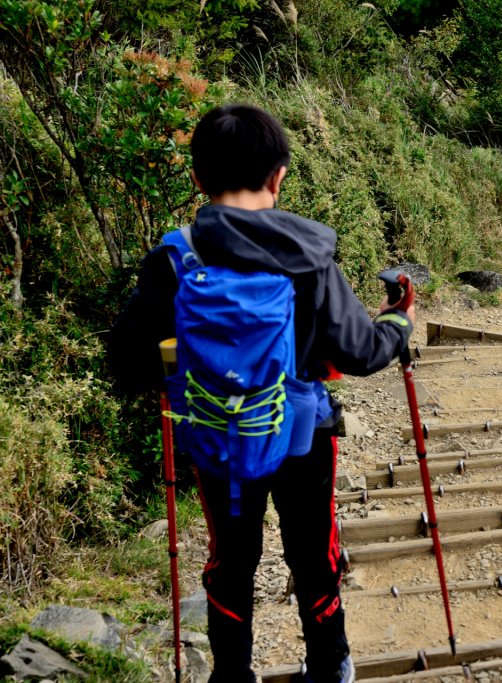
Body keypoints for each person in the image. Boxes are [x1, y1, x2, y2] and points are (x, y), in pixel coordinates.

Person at [109, 103, 414, 683]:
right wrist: (397, 322)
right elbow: (360, 352)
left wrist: (180, 377)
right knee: (314, 553)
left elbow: (126, 361)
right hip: (306, 436)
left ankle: (231, 677)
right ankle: (329, 667)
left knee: (231, 561)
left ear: (197, 178)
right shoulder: (308, 257)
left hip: (217, 440)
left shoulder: (174, 260)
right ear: (279, 176)